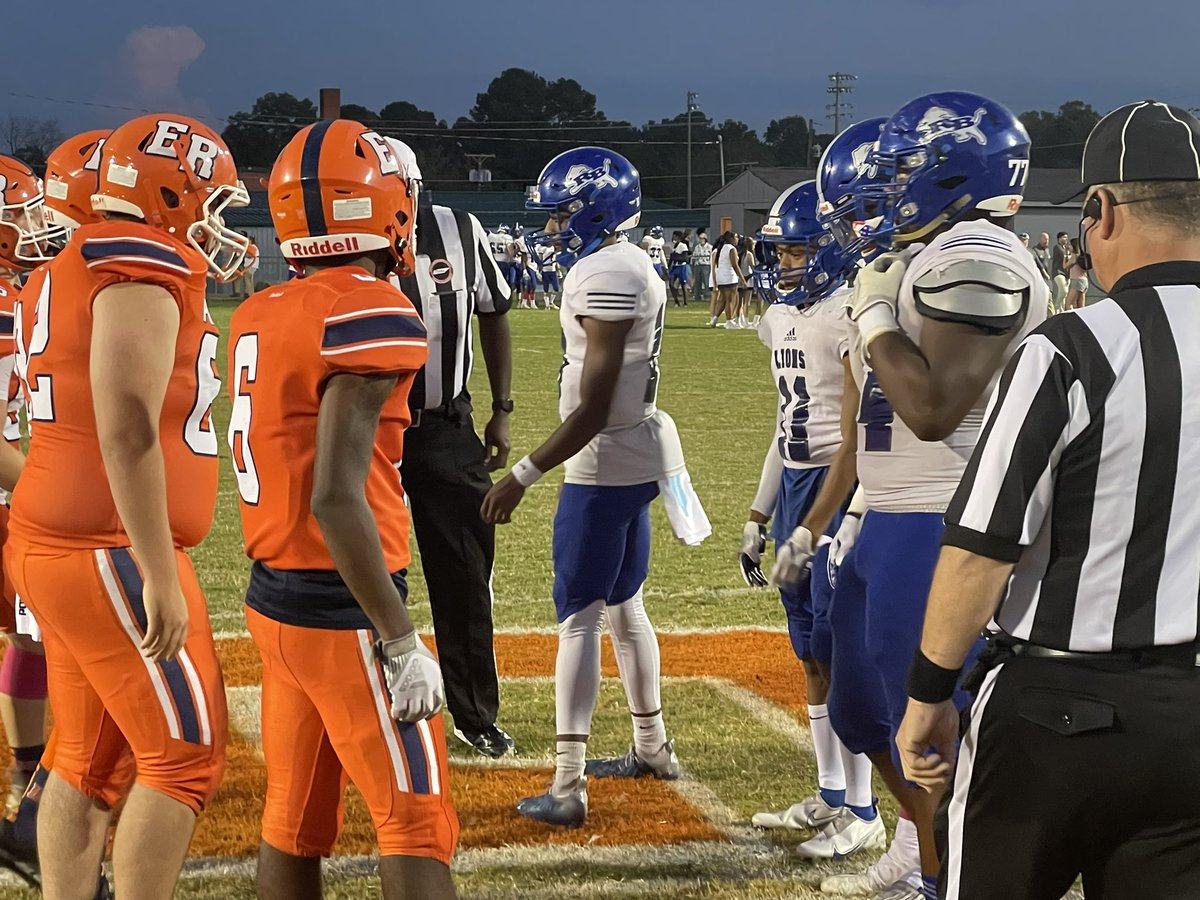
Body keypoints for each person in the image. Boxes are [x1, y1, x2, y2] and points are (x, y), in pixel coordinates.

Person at [897, 99, 1200, 900]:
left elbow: (981, 546)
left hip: (1057, 713)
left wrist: (929, 693)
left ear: (1100, 210)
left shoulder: (1073, 346)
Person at [789, 91, 1047, 900]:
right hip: (888, 519)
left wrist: (870, 316)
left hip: (943, 519)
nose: (891, 188)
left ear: (951, 172)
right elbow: (875, 426)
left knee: (935, 728)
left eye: (904, 170)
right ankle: (920, 842)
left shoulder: (977, 252)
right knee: (867, 714)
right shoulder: (929, 252)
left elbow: (933, 411)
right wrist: (842, 522)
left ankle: (947, 878)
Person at [8, 113, 244, 900]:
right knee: (185, 756)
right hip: (104, 542)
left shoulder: (66, 263)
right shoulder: (137, 260)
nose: (216, 222)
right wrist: (155, 567)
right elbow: (130, 425)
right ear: (171, 189)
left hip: (65, 536)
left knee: (85, 760)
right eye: (210, 201)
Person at [228, 118, 458, 900]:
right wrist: (397, 638)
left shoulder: (263, 308)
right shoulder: (374, 310)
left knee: (292, 820)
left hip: (275, 598)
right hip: (345, 606)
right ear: (386, 204)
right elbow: (334, 495)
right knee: (417, 822)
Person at [482, 146, 710, 827]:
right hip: (631, 453)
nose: (550, 230)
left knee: (579, 616)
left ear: (593, 209)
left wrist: (524, 473)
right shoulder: (627, 261)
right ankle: (652, 747)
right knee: (624, 604)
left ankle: (568, 785)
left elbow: (593, 403)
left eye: (559, 216)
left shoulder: (607, 271)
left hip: (604, 458)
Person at [737, 181, 880, 860]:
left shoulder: (847, 315)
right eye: (781, 252)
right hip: (796, 483)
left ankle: (864, 805)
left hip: (836, 484)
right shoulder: (779, 318)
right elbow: (782, 420)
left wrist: (834, 517)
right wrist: (759, 513)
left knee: (840, 641)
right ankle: (830, 790)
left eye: (795, 251)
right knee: (809, 648)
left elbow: (857, 431)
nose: (783, 264)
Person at [383, 138, 516, 759]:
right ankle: (371, 700)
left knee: (464, 572)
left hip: (443, 421)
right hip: (369, 433)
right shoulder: (343, 242)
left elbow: (493, 311)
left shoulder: (458, 229)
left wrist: (502, 409)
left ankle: (473, 711)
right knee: (373, 569)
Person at [710, 231, 744, 327]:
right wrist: (743, 279)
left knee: (722, 299)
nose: (737, 240)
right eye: (736, 237)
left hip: (721, 276)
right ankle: (729, 321)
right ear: (731, 239)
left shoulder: (722, 248)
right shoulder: (732, 249)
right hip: (729, 276)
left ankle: (715, 319)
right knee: (730, 300)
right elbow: (735, 265)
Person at [1064, 236, 1089, 309]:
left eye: (1070, 245)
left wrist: (1065, 254)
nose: (1069, 247)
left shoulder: (1074, 256)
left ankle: (1070, 319)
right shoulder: (1082, 256)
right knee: (1081, 305)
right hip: (1084, 281)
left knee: (1069, 303)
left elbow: (1065, 266)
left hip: (1076, 281)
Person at [667, 230, 690, 306]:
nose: (672, 237)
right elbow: (671, 258)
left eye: (674, 236)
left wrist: (676, 256)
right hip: (675, 267)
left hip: (682, 266)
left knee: (683, 285)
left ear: (678, 237)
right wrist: (668, 267)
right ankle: (676, 301)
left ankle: (685, 303)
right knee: (671, 284)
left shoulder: (683, 245)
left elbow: (685, 258)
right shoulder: (674, 245)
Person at [1051, 231, 1071, 309]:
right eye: (1064, 237)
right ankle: (1056, 305)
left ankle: (1061, 310)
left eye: (1066, 237)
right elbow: (1065, 257)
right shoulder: (1057, 247)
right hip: (1058, 272)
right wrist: (1069, 255)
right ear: (1059, 238)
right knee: (1063, 290)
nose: (1066, 239)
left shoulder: (1066, 248)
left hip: (1067, 273)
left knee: (1065, 296)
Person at [690, 229, 712, 304]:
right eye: (700, 239)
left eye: (702, 239)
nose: (701, 240)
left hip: (706, 265)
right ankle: (697, 296)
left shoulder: (709, 247)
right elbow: (694, 255)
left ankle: (707, 295)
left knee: (706, 281)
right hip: (698, 265)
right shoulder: (697, 247)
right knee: (697, 281)